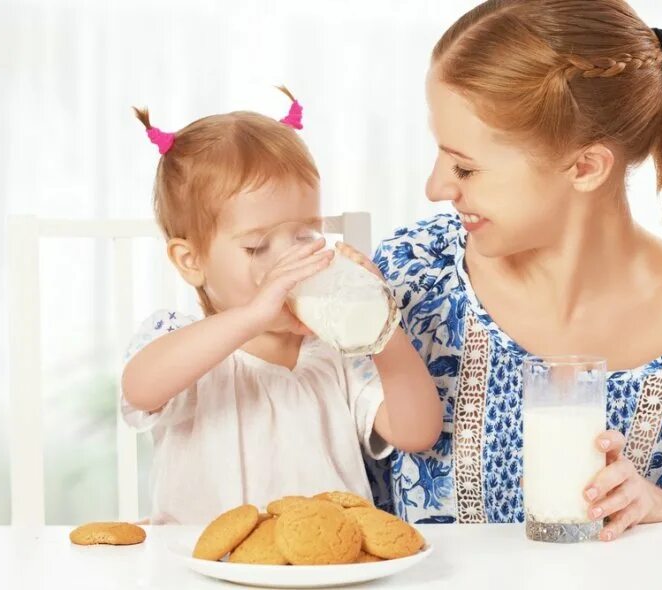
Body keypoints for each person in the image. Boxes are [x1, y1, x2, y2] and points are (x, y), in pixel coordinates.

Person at [373, 0, 662, 540]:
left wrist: (661, 513)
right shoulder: (408, 279)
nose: (437, 187)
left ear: (585, 167)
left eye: (465, 166)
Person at [121, 88, 442, 524]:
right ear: (191, 260)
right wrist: (252, 318)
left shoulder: (335, 354)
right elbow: (140, 388)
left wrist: (382, 327)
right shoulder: (182, 343)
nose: (288, 260)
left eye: (305, 236)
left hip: (324, 570)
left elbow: (417, 432)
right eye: (257, 246)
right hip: (205, 566)